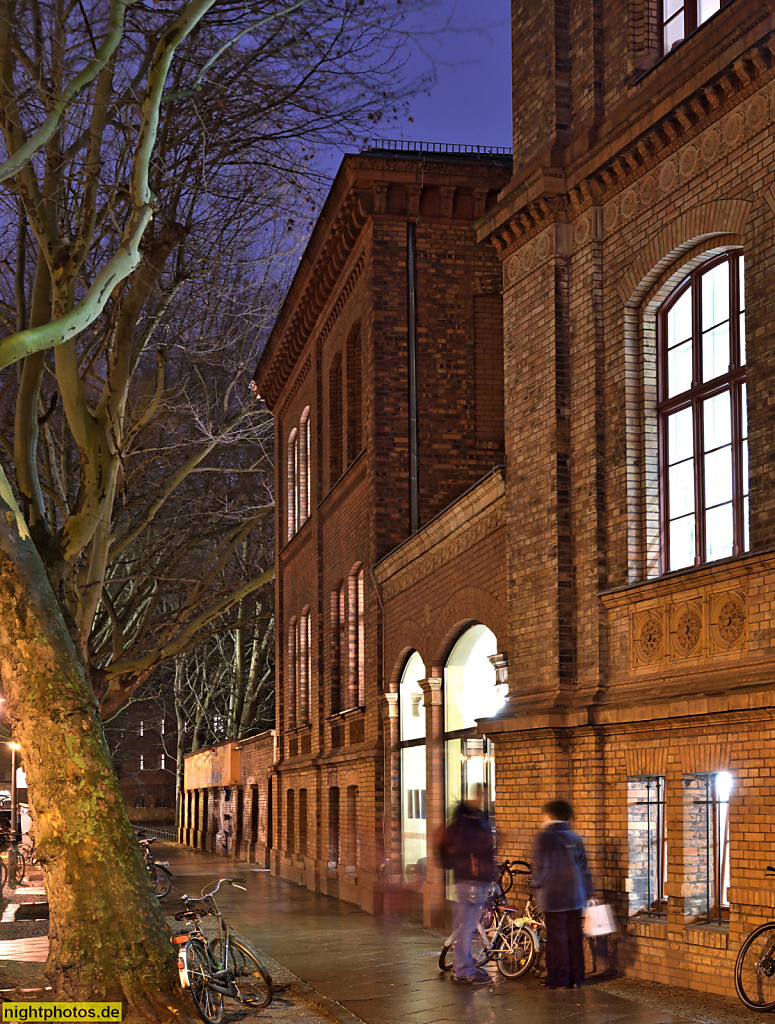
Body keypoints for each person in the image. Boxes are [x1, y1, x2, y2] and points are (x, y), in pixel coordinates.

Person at [531, 798, 593, 990]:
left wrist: (536, 887)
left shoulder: (544, 838)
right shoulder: (575, 839)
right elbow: (584, 868)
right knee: (574, 937)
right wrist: (588, 893)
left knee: (557, 939)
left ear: (549, 815)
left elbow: (541, 867)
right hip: (576, 895)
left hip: (554, 896)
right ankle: (576, 977)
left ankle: (558, 979)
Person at [438, 783, 495, 985]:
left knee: (464, 924)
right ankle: (464, 970)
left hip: (469, 877)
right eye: (483, 795)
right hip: (472, 877)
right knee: (467, 926)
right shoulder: (469, 821)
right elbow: (475, 848)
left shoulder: (468, 819)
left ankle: (462, 968)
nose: (485, 798)